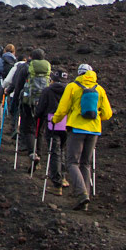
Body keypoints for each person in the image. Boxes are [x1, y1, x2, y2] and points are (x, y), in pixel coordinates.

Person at [52, 63, 112, 211]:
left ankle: (82, 194)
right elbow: (107, 114)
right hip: (94, 130)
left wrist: (55, 120)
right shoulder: (99, 89)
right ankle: (85, 197)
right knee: (85, 163)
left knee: (72, 162)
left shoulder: (72, 87)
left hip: (77, 129)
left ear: (79, 73)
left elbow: (62, 109)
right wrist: (96, 118)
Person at [35, 69, 69, 194]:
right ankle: (63, 177)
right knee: (61, 150)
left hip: (51, 123)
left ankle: (57, 184)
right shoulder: (69, 90)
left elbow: (40, 109)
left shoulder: (48, 90)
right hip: (66, 124)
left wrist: (37, 115)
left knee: (54, 152)